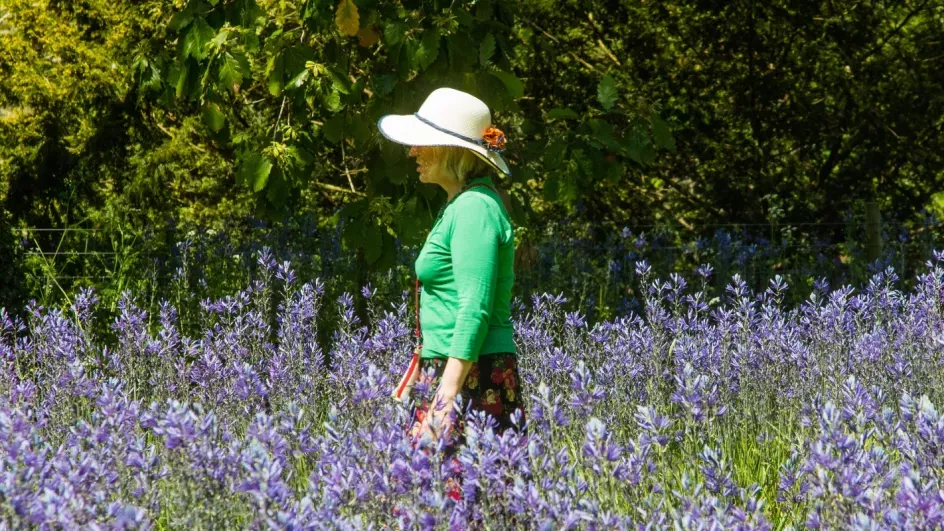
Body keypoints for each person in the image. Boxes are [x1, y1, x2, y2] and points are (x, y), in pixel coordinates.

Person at [377, 87, 524, 450]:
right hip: (451, 370)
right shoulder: (459, 205)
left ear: (451, 151)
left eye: (422, 143)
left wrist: (444, 401)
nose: (412, 151)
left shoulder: (475, 208)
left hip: (472, 377)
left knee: (467, 498)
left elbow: (475, 309)